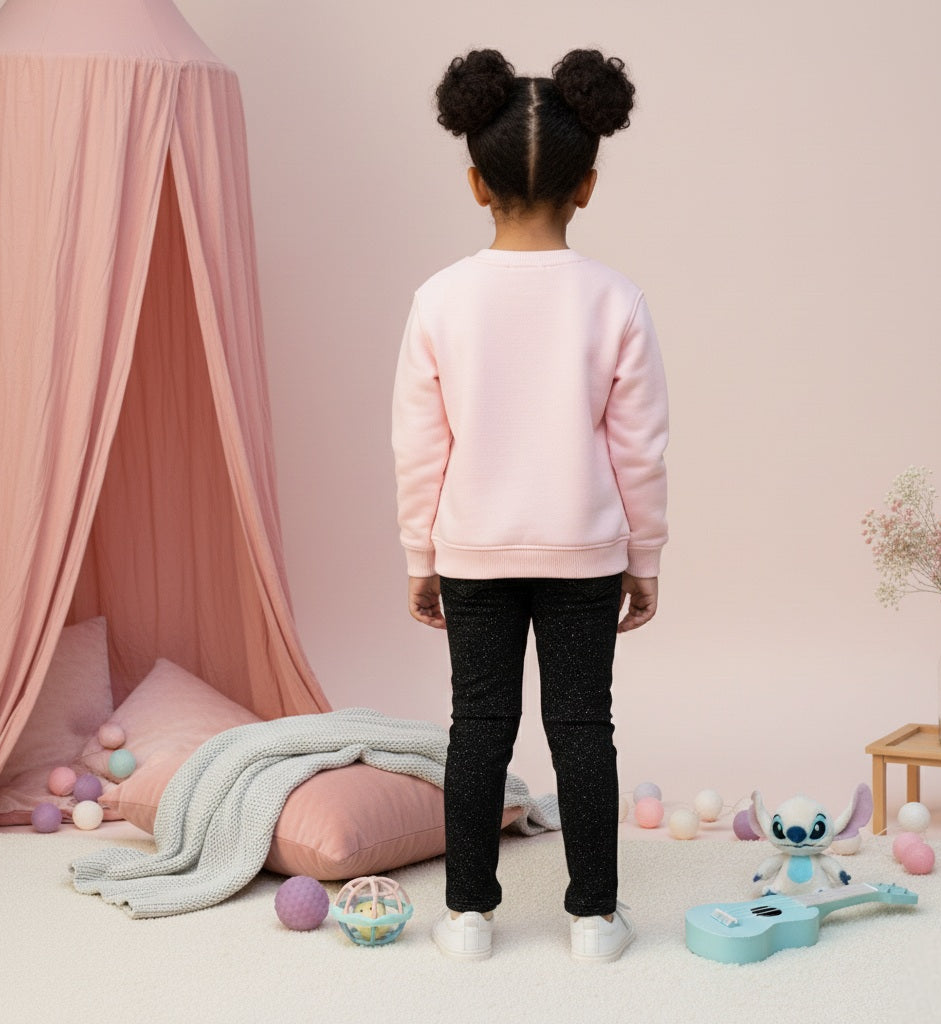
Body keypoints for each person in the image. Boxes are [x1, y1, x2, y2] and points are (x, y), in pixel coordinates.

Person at [392, 48, 668, 963]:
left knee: (479, 726)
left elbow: (419, 445)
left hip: (472, 551)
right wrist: (647, 558)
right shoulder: (615, 297)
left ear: (477, 182)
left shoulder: (438, 298)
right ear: (588, 186)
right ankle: (594, 919)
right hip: (585, 552)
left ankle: (468, 915)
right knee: (584, 726)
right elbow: (640, 447)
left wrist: (419, 556)